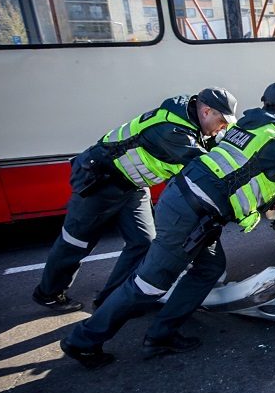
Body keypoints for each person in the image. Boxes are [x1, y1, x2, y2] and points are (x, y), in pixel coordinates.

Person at [60, 80, 275, 370]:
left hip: (195, 208)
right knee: (148, 284)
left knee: (208, 269)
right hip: (190, 213)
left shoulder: (254, 125)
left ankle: (161, 334)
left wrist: (271, 191)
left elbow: (242, 172)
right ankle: (84, 339)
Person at [33, 88, 238, 313]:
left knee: (143, 242)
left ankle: (110, 300)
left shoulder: (194, 125)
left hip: (134, 186)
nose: (224, 127)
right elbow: (205, 167)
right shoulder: (172, 130)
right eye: (222, 121)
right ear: (207, 111)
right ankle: (49, 293)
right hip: (101, 181)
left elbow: (214, 149)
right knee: (76, 240)